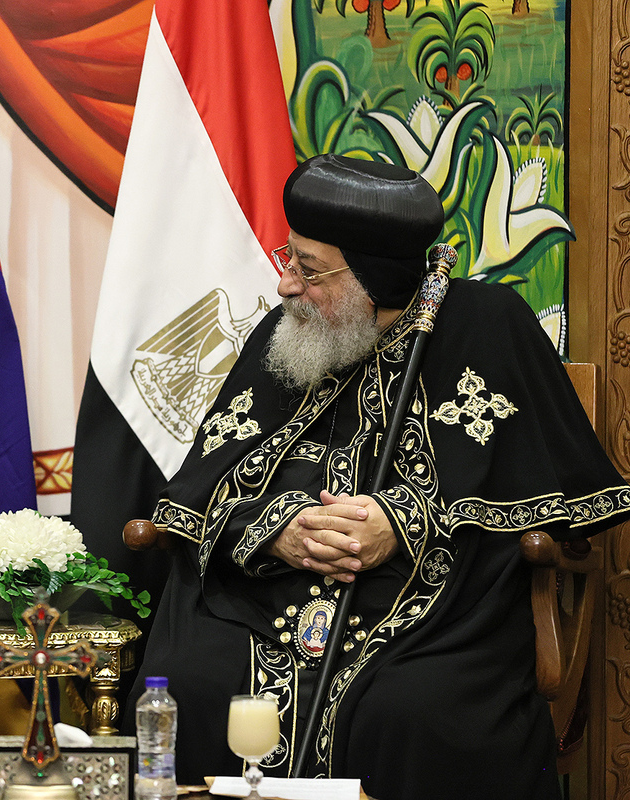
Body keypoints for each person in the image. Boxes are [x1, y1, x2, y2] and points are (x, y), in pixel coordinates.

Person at [124, 155, 630, 800]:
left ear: (374, 277)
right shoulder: (287, 334)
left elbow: (556, 491)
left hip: (432, 614)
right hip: (264, 600)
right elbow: (207, 481)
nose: (284, 285)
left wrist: (406, 520)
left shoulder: (489, 324)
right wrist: (277, 530)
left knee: (414, 712)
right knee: (190, 682)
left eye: (309, 269)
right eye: (288, 257)